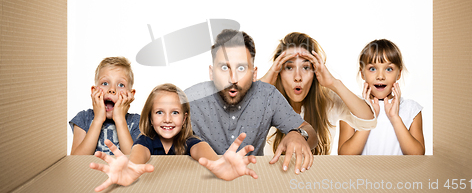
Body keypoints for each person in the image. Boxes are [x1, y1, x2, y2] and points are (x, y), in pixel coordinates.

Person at [185, 29, 318, 175]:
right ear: (211, 72)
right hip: (202, 180)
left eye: (241, 68)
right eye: (224, 67)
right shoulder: (191, 99)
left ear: (254, 73)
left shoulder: (268, 96)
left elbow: (309, 132)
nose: (233, 78)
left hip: (252, 181)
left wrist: (298, 134)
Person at [89, 83, 258, 192]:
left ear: (184, 118)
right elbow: (138, 154)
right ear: (150, 117)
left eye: (175, 113)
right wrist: (130, 167)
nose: (167, 119)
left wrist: (219, 164)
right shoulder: (145, 141)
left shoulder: (189, 141)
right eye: (160, 112)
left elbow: (201, 149)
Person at [261, 32, 376, 155]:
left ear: (315, 72)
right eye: (289, 67)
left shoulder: (328, 100)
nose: (298, 77)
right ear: (278, 72)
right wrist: (263, 83)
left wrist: (334, 83)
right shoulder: (265, 101)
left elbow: (368, 121)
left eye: (305, 67)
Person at [338, 39, 425, 155]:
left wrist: (395, 118)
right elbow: (345, 155)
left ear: (399, 73)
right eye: (372, 69)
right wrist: (368, 117)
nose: (380, 76)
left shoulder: (412, 109)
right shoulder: (350, 107)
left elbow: (418, 155)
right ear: (362, 73)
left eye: (389, 69)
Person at [70, 57, 139, 155]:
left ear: (130, 94)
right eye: (105, 83)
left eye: (121, 85)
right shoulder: (83, 118)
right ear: (94, 91)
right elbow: (76, 161)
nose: (112, 89)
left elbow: (134, 160)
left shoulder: (137, 122)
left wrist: (120, 119)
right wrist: (98, 119)